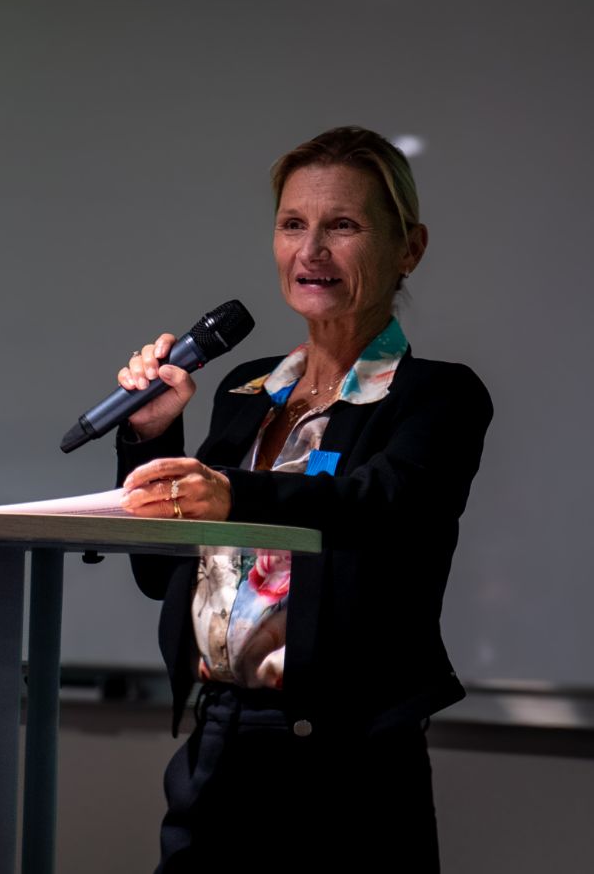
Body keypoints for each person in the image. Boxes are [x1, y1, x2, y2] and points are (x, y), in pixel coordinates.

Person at [114, 126, 492, 872]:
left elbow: (371, 504)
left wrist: (231, 494)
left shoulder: (435, 397)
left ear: (407, 248)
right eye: (293, 224)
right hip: (216, 742)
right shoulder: (245, 391)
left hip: (346, 758)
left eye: (342, 226)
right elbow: (162, 573)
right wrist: (150, 438)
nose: (310, 250)